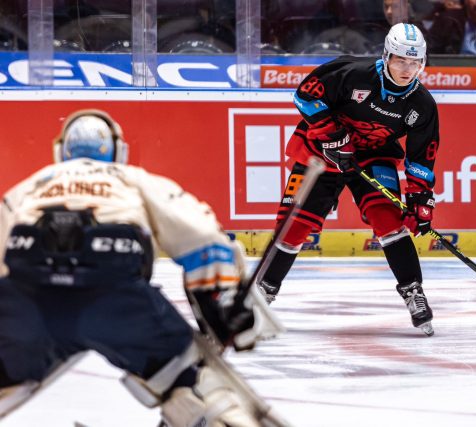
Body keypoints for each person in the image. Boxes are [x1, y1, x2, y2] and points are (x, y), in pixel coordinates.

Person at [0, 110, 275, 426]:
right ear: (118, 150)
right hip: (115, 296)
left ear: (61, 150)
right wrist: (222, 309)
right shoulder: (132, 179)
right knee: (194, 389)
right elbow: (202, 239)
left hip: (29, 297)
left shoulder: (31, 185)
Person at [258, 23, 439, 336]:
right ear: (387, 56)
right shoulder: (352, 74)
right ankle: (263, 294)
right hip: (322, 152)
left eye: (415, 62)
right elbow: (305, 96)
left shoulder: (422, 105)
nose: (407, 69)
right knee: (294, 225)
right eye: (400, 61)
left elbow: (421, 157)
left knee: (388, 220)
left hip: (373, 156)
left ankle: (413, 291)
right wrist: (334, 137)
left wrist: (421, 201)